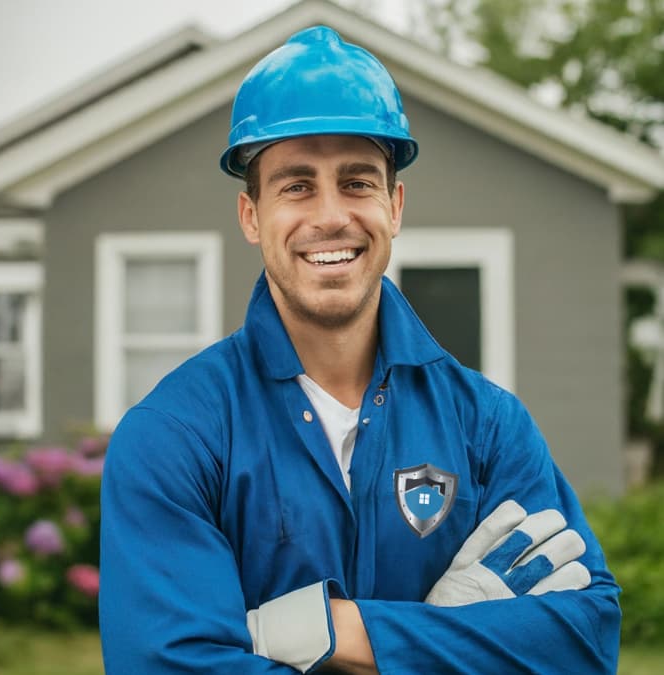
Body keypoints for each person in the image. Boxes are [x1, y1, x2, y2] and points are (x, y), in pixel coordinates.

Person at [99, 25, 620, 674]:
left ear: (393, 206)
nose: (329, 215)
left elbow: (586, 638)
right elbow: (167, 665)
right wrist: (447, 632)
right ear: (251, 216)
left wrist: (332, 627)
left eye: (356, 182)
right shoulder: (175, 436)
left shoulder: (487, 426)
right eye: (295, 185)